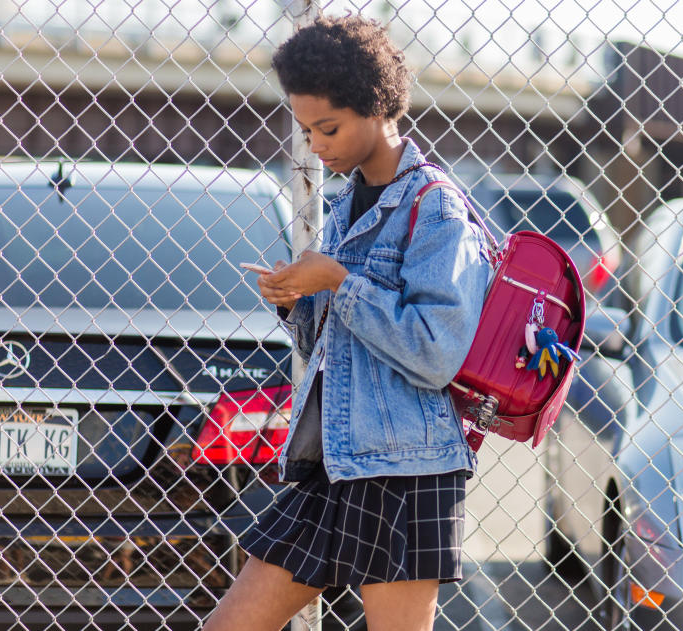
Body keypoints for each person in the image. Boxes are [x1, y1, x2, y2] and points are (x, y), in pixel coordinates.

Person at [202, 14, 490, 631]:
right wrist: (296, 302)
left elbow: (435, 350)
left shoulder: (435, 206)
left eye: (327, 127)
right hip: (333, 463)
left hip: (407, 468)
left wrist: (336, 280)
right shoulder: (344, 206)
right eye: (307, 130)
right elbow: (334, 344)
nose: (315, 145)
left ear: (377, 106)